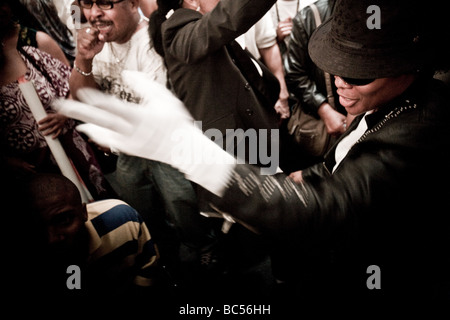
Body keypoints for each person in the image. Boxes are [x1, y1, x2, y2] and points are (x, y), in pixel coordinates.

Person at [58, 0, 450, 306]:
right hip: (231, 140)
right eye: (336, 68)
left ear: (410, 67)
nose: (341, 83)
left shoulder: (420, 131)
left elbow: (327, 209)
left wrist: (194, 152)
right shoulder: (176, 25)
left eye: (359, 73)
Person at [69, 0, 219, 284]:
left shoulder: (153, 41)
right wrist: (84, 60)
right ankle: (162, 258)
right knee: (142, 213)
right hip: (129, 151)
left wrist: (111, 140)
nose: (94, 13)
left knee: (184, 209)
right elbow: (81, 96)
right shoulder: (99, 44)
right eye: (88, 3)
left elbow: (157, 119)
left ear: (133, 3)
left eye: (106, 3)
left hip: (168, 149)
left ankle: (204, 252)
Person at [0, 0, 114, 200]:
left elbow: (76, 83)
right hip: (30, 171)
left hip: (72, 152)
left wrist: (64, 113)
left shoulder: (35, 42)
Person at [10, 172, 161, 298]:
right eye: (37, 227)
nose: (52, 238)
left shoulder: (121, 220)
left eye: (64, 220)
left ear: (84, 212)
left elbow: (148, 262)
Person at [284, 0, 349, 171]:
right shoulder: (308, 18)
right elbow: (294, 74)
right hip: (324, 124)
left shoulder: (375, 15)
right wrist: (324, 109)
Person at [236, 11, 290, 121]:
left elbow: (268, 45)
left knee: (266, 133)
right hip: (218, 84)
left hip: (254, 77)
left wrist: (282, 93)